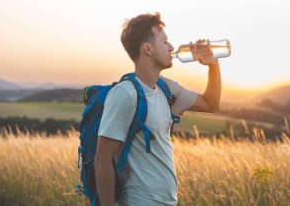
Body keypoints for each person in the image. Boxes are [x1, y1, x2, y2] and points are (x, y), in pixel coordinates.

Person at [94, 12, 221, 206]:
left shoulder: (165, 88)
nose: (171, 47)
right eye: (165, 42)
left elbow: (211, 104)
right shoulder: (125, 94)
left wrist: (213, 65)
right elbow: (102, 158)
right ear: (148, 49)